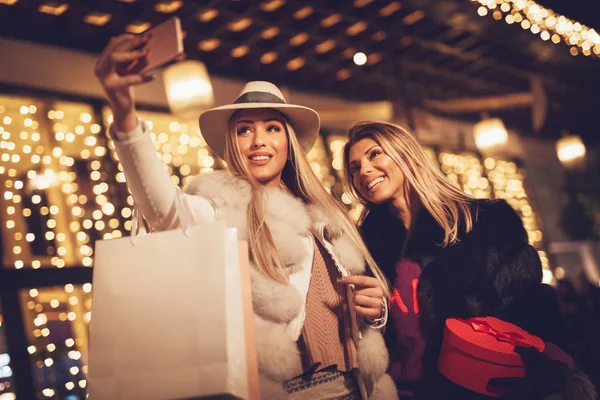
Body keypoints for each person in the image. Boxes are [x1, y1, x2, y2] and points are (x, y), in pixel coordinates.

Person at [94, 34, 398, 400]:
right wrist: (125, 113)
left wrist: (375, 310)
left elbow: (350, 311)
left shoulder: (325, 216)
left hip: (356, 387)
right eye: (244, 129)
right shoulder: (216, 208)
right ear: (231, 145)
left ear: (289, 143)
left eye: (272, 127)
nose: (258, 140)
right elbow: (161, 207)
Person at [341, 121, 596, 399]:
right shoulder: (365, 249)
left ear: (406, 155)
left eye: (374, 154)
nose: (363, 170)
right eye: (354, 167)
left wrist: (554, 376)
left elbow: (534, 311)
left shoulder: (485, 224)